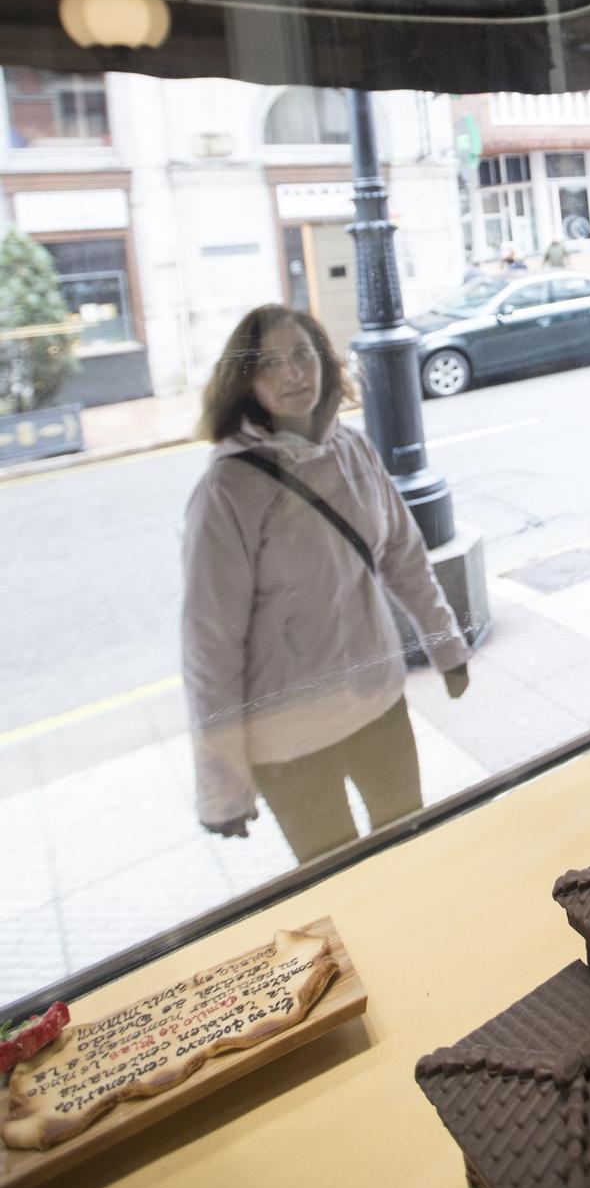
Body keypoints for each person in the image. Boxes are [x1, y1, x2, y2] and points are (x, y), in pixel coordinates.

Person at [181, 304, 470, 864]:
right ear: (244, 382)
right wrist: (223, 787)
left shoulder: (352, 449)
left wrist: (447, 647)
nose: (293, 373)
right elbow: (209, 648)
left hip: (377, 707)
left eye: (302, 355)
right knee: (339, 883)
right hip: (289, 743)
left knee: (412, 857)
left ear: (323, 361)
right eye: (269, 363)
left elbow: (404, 556)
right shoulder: (227, 490)